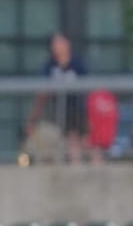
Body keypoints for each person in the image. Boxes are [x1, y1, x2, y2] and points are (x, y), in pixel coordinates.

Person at [30, 33, 89, 164]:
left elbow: (88, 88)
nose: (57, 47)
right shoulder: (49, 66)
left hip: (76, 110)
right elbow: (42, 93)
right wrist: (32, 119)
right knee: (56, 141)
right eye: (54, 44)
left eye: (60, 43)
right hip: (56, 112)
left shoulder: (77, 64)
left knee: (76, 140)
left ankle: (77, 166)